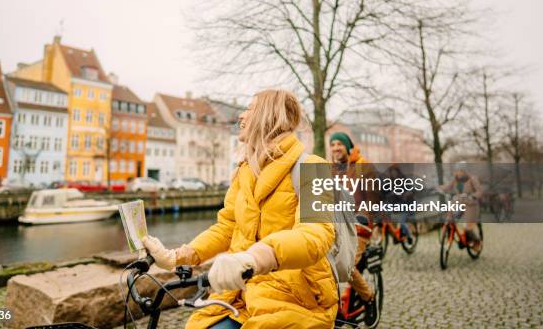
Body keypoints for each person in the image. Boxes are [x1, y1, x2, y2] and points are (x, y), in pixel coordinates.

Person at [142, 89, 338, 329]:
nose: (241, 117)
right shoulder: (245, 171)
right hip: (239, 293)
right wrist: (176, 257)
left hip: (295, 298)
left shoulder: (315, 168)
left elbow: (315, 236)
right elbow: (227, 228)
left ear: (270, 116)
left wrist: (255, 257)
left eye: (250, 109)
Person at [329, 132, 379, 327]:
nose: (335, 148)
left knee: (345, 265)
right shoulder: (331, 169)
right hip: (336, 225)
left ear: (348, 146)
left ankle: (369, 298)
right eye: (332, 144)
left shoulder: (363, 166)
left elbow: (374, 198)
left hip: (359, 226)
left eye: (339, 144)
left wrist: (363, 216)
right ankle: (335, 306)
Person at [440, 162, 483, 251]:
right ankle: (447, 236)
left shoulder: (472, 179)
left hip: (471, 205)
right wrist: (436, 188)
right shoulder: (455, 180)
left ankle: (477, 241)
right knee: (450, 218)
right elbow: (447, 187)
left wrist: (473, 196)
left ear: (464, 171)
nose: (457, 173)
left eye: (459, 171)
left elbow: (479, 191)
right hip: (459, 204)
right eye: (456, 171)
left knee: (467, 227)